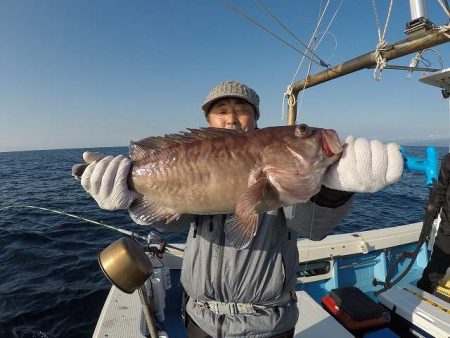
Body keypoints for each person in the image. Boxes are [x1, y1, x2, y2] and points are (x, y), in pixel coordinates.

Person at [76, 81, 403, 337]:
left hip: (268, 325)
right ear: (209, 120)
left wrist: (333, 190)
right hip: (200, 319)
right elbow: (170, 222)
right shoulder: (197, 155)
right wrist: (131, 196)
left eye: (241, 109)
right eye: (221, 110)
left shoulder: (291, 184)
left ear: (256, 119)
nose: (232, 117)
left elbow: (311, 227)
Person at [417, 153, 450, 293]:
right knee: (436, 267)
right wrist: (433, 210)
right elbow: (441, 189)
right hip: (448, 226)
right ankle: (423, 292)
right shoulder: (448, 160)